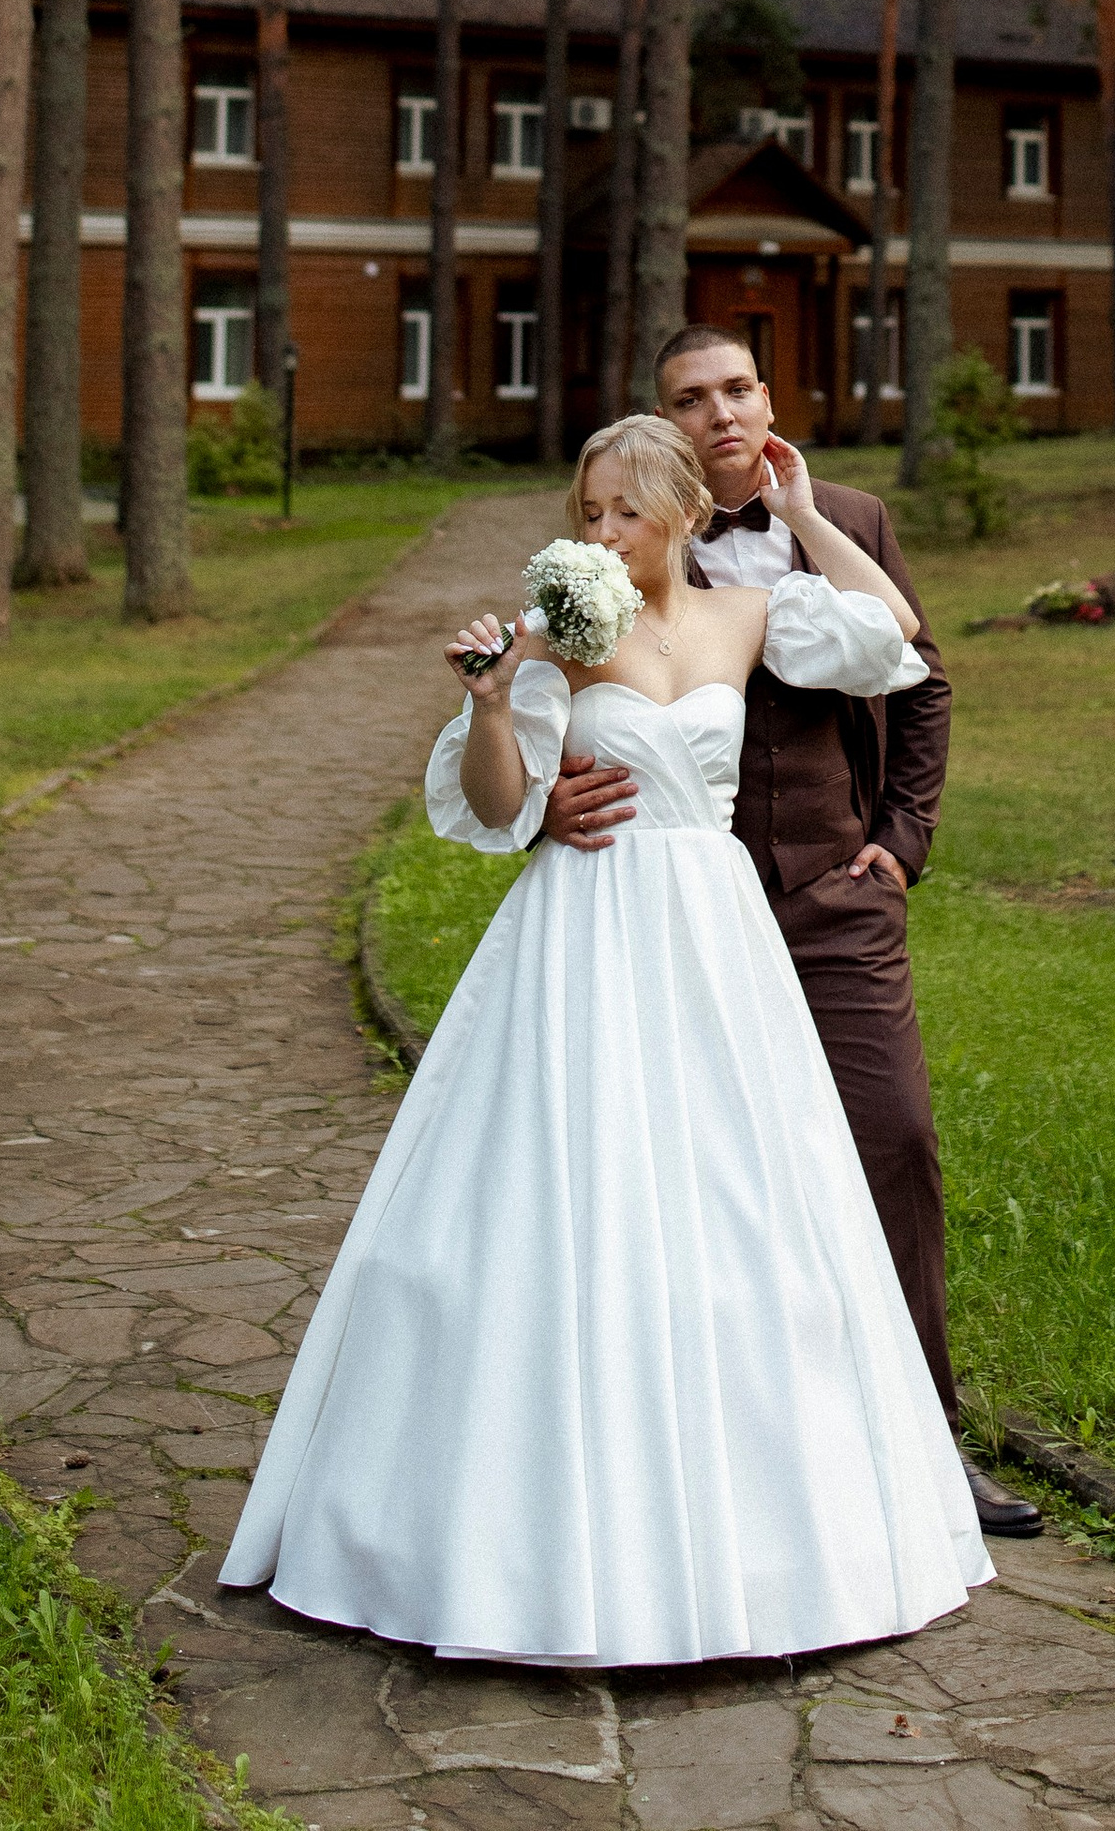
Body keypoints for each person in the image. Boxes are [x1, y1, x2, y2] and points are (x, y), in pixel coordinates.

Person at [217, 410, 991, 1668]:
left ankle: (778, 1547)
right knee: (563, 1212)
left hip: (715, 942)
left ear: (686, 514)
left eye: (626, 511)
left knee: (744, 1210)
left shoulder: (750, 612)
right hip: (586, 932)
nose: (601, 533)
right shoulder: (559, 631)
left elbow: (888, 634)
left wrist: (798, 514)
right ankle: (509, 1547)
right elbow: (493, 808)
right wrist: (488, 709)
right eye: (588, 512)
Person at [543, 326, 1045, 1541]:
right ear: (662, 423)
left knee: (894, 1145)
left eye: (737, 389)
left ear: (766, 396)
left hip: (831, 896)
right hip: (676, 911)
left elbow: (917, 673)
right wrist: (544, 811)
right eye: (689, 399)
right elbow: (540, 708)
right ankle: (744, 1463)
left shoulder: (851, 519)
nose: (720, 413)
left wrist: (902, 842)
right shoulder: (614, 542)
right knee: (697, 1182)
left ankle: (930, 1445)